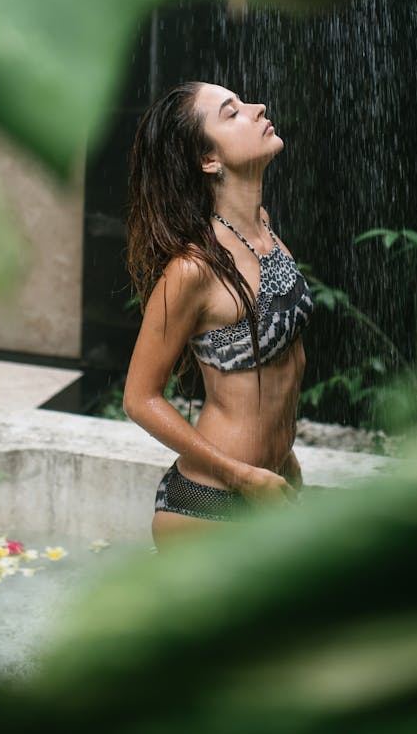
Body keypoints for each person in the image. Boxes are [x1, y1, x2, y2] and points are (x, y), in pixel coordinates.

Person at [123, 81, 314, 547]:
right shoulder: (193, 270)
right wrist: (243, 476)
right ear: (209, 160)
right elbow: (139, 398)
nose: (257, 108)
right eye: (231, 113)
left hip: (274, 483)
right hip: (214, 503)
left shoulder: (262, 227)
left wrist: (282, 463)